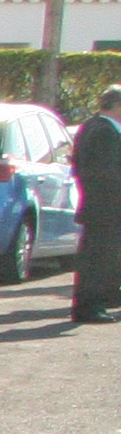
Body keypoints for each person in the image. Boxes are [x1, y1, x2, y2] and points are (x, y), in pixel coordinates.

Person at [73, 82, 121, 324]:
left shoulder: (95, 126)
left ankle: (104, 298)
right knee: (97, 260)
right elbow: (106, 173)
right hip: (105, 208)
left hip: (102, 207)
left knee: (105, 258)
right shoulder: (103, 131)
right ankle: (89, 307)